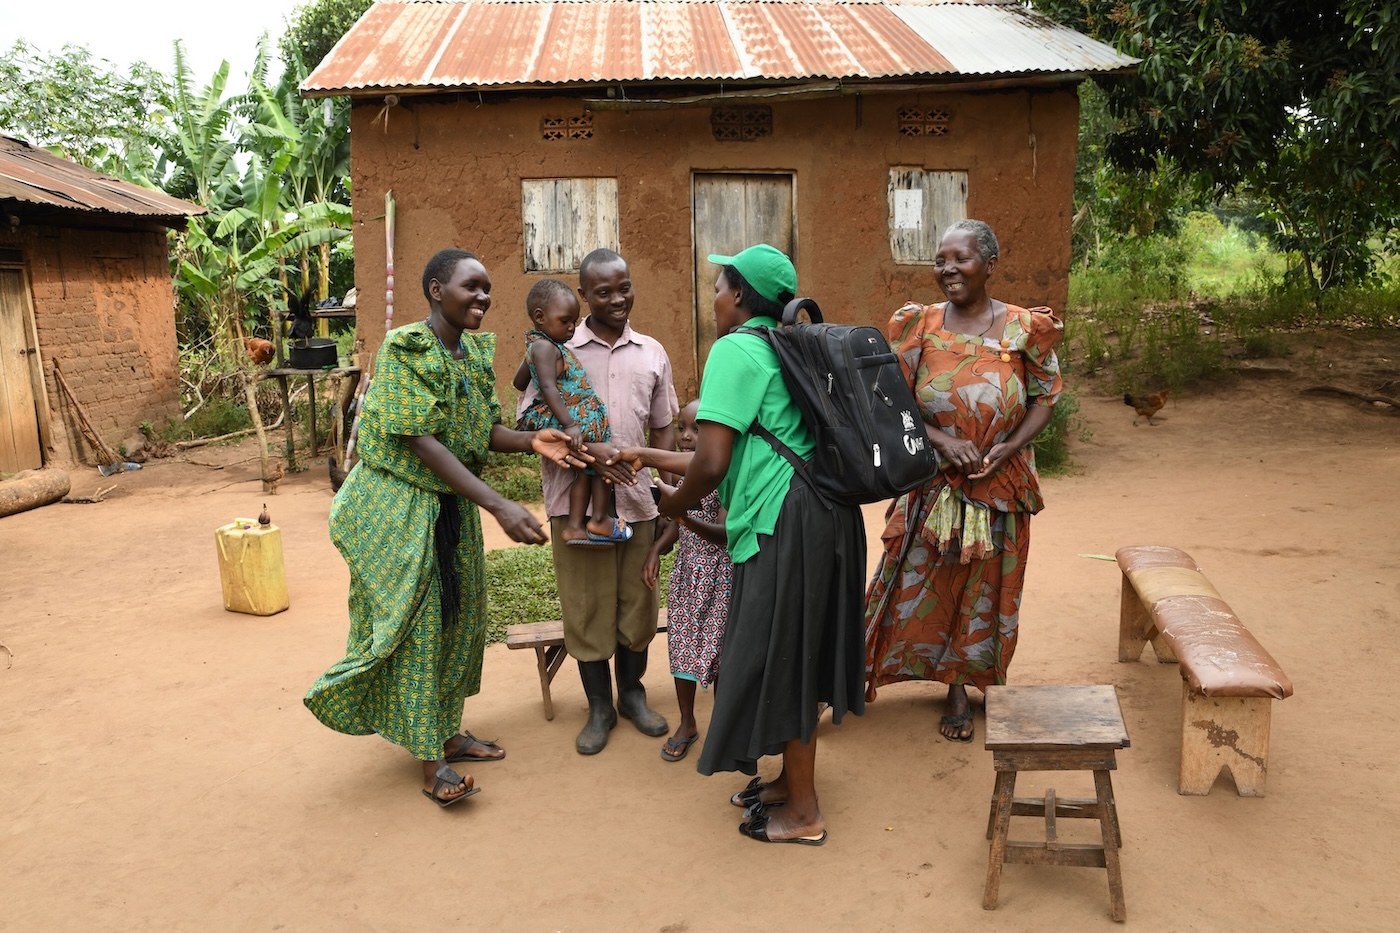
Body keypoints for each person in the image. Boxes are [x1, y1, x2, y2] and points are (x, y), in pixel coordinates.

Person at [304, 248, 584, 806]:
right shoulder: (408, 348)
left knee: (460, 618)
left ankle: (448, 732)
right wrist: (499, 504)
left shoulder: (472, 354)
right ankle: (432, 765)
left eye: (486, 288)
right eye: (470, 286)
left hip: (449, 505)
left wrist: (531, 440)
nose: (482, 296)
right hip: (401, 508)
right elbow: (421, 441)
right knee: (419, 623)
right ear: (436, 290)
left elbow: (482, 433)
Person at [615, 244, 867, 846]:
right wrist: (643, 455)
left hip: (788, 523)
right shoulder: (786, 346)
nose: (716, 298)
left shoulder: (735, 350)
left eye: (722, 286)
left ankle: (803, 814)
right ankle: (789, 783)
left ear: (741, 296)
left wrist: (667, 505)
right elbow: (728, 450)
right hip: (825, 517)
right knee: (795, 650)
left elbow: (710, 462)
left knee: (784, 656)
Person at [862, 220, 1063, 743]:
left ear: (991, 265)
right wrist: (942, 441)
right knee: (924, 579)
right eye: (940, 259)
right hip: (933, 484)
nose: (947, 268)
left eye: (962, 258)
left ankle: (965, 682)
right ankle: (883, 669)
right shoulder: (918, 325)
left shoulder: (1024, 328)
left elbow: (1045, 396)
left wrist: (1009, 447)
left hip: (1001, 484)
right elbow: (891, 399)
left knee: (988, 588)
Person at [517, 248, 678, 755]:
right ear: (584, 295)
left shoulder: (652, 352)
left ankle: (632, 694)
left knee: (637, 605)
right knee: (586, 608)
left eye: (624, 288)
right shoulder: (556, 345)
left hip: (637, 502)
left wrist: (659, 480)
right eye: (603, 292)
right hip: (575, 501)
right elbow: (532, 420)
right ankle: (598, 706)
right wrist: (588, 453)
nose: (617, 299)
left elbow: (664, 424)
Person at [640, 400, 733, 763]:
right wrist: (655, 550)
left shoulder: (723, 473)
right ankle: (688, 723)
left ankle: (724, 727)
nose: (688, 436)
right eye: (682, 428)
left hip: (720, 574)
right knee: (681, 647)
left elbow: (723, 533)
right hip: (686, 572)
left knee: (721, 652)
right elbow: (676, 527)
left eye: (698, 428)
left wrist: (681, 515)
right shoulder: (679, 474)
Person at [512, 278, 631, 546]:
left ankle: (575, 526)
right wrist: (570, 425)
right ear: (540, 318)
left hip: (569, 415)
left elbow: (520, 383)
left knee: (585, 472)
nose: (571, 328)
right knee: (605, 461)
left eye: (574, 321)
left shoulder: (538, 346)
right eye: (565, 321)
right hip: (567, 417)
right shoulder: (544, 347)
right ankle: (599, 519)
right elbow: (547, 387)